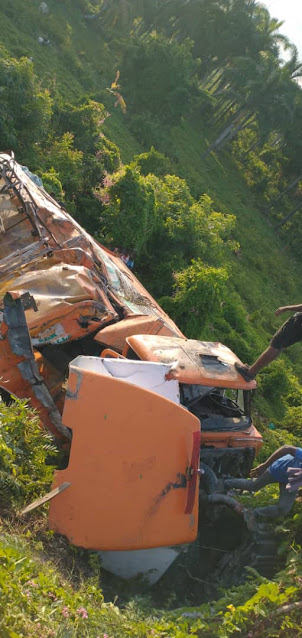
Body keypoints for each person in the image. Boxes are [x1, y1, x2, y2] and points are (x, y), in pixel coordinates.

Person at [224, 444, 302, 524]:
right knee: (254, 486)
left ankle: (252, 513)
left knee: (283, 509)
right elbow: (286, 448)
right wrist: (265, 465)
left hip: (294, 478)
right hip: (279, 469)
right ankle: (225, 483)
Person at [235, 303, 302, 381]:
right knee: (280, 347)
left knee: (275, 345)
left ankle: (249, 373)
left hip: (298, 323)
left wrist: (286, 308)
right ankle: (253, 371)